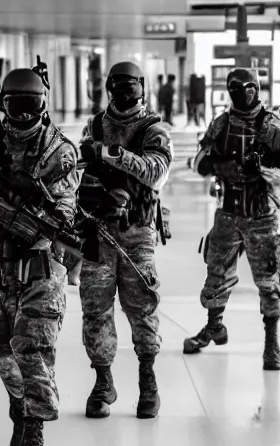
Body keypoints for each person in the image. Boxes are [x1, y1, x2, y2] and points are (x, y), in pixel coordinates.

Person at [0, 65, 79, 446]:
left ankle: (34, 429)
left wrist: (34, 196)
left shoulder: (59, 150)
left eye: (31, 105)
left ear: (43, 104)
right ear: (1, 103)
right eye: (15, 105)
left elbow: (62, 214)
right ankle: (20, 405)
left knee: (32, 348)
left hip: (42, 267)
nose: (23, 115)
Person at [77, 61, 172, 420]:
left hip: (137, 235)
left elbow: (155, 173)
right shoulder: (94, 124)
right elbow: (77, 172)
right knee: (95, 310)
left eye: (129, 83)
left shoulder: (153, 129)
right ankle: (103, 383)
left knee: (142, 308)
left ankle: (148, 382)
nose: (122, 89)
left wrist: (107, 154)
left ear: (142, 86)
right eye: (116, 83)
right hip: (98, 231)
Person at [187, 67, 280, 371]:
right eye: (236, 88)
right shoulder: (222, 124)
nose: (243, 92)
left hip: (261, 214)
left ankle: (272, 341)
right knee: (216, 271)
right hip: (228, 211)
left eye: (248, 87)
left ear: (257, 88)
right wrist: (219, 164)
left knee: (269, 280)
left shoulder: (271, 126)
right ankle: (215, 327)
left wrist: (264, 170)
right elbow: (198, 161)